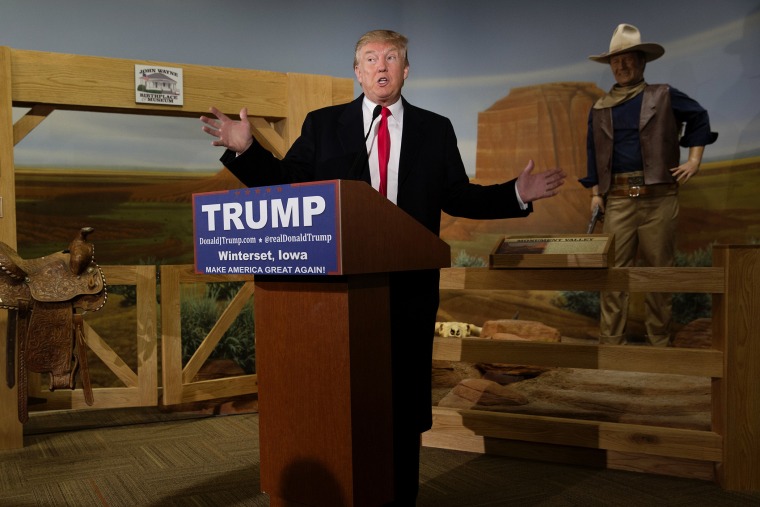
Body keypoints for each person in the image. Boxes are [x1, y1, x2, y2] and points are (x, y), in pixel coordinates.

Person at [201, 29, 566, 504]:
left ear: (405, 70)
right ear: (357, 72)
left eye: (391, 58)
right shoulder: (324, 124)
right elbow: (289, 184)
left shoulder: (435, 129)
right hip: (338, 293)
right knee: (341, 404)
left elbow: (458, 195)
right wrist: (247, 151)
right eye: (370, 58)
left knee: (399, 410)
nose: (381, 66)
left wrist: (515, 194)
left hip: (408, 291)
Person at [579, 23, 717, 347]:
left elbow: (699, 118)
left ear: (642, 62)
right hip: (619, 199)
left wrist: (694, 160)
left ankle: (660, 346)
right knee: (613, 274)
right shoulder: (599, 108)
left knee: (659, 274)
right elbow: (591, 152)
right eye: (616, 60)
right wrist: (595, 194)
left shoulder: (663, 95)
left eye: (628, 59)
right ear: (610, 65)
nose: (622, 65)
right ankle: (611, 345)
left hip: (659, 197)